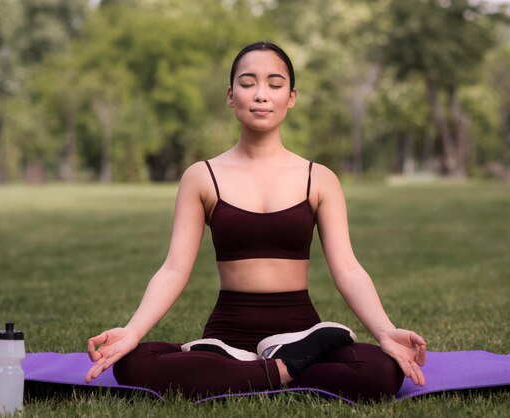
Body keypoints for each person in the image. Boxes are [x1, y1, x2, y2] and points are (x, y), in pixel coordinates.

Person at [85, 41, 426, 402]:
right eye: (248, 83)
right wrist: (133, 331)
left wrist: (385, 331)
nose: (261, 94)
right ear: (231, 96)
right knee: (133, 364)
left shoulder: (319, 178)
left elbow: (347, 267)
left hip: (300, 332)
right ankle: (286, 369)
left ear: (291, 97)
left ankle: (257, 368)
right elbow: (173, 269)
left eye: (274, 84)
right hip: (226, 334)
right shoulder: (202, 177)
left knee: (382, 371)